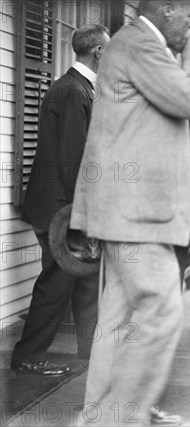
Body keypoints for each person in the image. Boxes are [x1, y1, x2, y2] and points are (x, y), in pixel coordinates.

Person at [70, 1, 190, 425]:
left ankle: (97, 414)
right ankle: (117, 417)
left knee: (120, 319)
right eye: (189, 16)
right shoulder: (140, 45)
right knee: (161, 311)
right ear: (168, 9)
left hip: (127, 210)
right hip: (135, 213)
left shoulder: (136, 45)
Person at [11, 25, 110, 377]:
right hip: (62, 208)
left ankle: (91, 350)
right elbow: (74, 158)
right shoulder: (72, 90)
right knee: (58, 282)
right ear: (98, 52)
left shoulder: (79, 87)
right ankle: (28, 355)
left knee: (86, 277)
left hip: (68, 206)